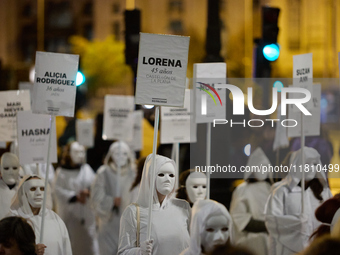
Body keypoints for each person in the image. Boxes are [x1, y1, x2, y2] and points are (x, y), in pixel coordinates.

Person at [118, 154, 191, 255]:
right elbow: (123, 252)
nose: (167, 179)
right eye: (161, 174)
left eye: (171, 175)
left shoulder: (183, 207)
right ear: (149, 177)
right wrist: (139, 252)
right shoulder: (133, 212)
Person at [264, 147, 332, 255]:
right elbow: (273, 222)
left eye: (314, 164)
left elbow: (331, 222)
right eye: (306, 164)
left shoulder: (324, 193)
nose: (310, 168)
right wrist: (296, 223)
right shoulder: (282, 191)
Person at [91, 141, 136, 255]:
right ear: (111, 155)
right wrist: (111, 201)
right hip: (109, 223)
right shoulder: (103, 172)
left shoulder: (133, 173)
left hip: (129, 224)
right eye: (117, 154)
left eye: (124, 154)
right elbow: (96, 197)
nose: (121, 157)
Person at [54, 141, 99, 255]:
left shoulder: (86, 169)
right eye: (76, 152)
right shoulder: (61, 172)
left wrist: (88, 191)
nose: (80, 155)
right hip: (70, 215)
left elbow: (95, 185)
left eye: (82, 152)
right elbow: (57, 191)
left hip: (86, 215)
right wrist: (74, 197)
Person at [9, 175, 72, 255]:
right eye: (33, 189)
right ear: (24, 193)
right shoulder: (13, 221)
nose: (38, 193)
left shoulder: (56, 220)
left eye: (42, 189)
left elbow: (66, 249)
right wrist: (30, 252)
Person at [230, 147, 271, 255]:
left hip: (271, 238)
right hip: (252, 239)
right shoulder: (243, 189)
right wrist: (266, 226)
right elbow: (239, 217)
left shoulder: (271, 188)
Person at [0, 152, 21, 219]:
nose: (11, 172)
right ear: (1, 169)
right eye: (6, 168)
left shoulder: (24, 188)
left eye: (14, 168)